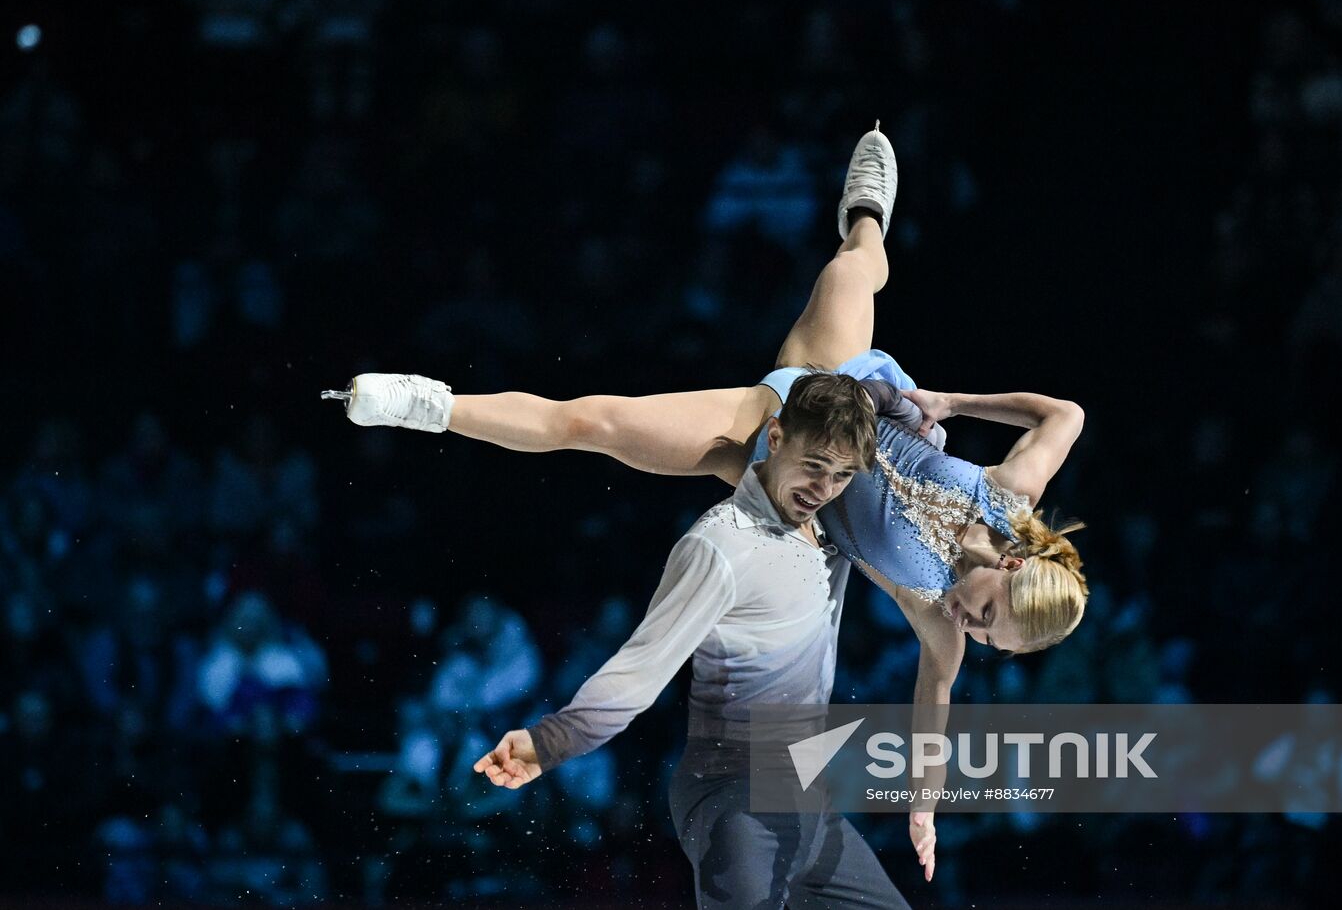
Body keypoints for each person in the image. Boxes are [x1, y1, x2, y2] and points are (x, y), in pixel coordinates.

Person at [325, 125, 1088, 877]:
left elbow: (934, 707)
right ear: (1010, 565)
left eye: (988, 641)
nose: (971, 628)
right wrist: (953, 401)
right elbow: (1064, 414)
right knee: (845, 270)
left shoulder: (938, 620)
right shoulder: (1008, 492)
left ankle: (426, 408)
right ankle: (866, 213)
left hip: (786, 492)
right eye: (987, 616)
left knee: (600, 436)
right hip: (817, 400)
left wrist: (923, 807)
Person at [473, 371, 912, 909]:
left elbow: (905, 422)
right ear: (775, 437)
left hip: (804, 793)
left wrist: (892, 397)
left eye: (842, 475)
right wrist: (551, 742)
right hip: (734, 791)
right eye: (815, 466)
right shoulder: (721, 544)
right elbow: (642, 668)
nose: (823, 488)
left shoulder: (828, 522)